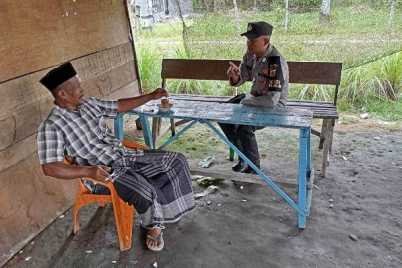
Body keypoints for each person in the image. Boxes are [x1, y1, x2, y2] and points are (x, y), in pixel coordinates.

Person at [37, 62, 194, 251]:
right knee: (145, 191)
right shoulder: (52, 126)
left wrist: (151, 96)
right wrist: (88, 170)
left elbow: (119, 106)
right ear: (62, 94)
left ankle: (165, 213)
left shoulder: (88, 104)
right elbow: (50, 167)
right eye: (77, 87)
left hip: (125, 155)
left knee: (177, 161)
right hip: (103, 172)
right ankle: (154, 226)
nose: (82, 89)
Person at [220, 21, 289, 174]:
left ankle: (253, 166)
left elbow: (271, 101)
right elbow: (242, 78)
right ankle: (243, 157)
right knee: (224, 115)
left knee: (244, 126)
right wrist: (234, 76)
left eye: (253, 40)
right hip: (255, 100)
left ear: (265, 41)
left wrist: (246, 101)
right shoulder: (251, 55)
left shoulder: (274, 62)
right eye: (247, 39)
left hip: (274, 106)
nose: (248, 44)